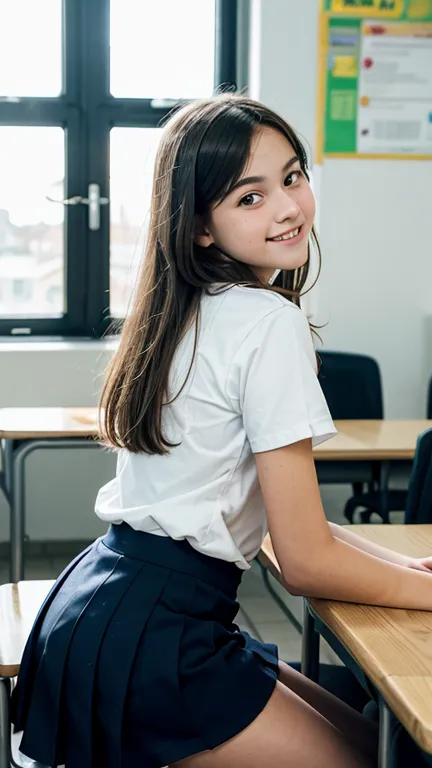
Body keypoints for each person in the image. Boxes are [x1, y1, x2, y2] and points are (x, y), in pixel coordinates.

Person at [11, 94, 432, 768]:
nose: (287, 206)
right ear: (200, 226)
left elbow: (271, 520)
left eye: (292, 177)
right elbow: (305, 561)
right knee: (382, 753)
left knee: (372, 739)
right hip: (160, 630)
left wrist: (401, 567)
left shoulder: (187, 310)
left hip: (106, 601)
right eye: (249, 197)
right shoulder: (268, 321)